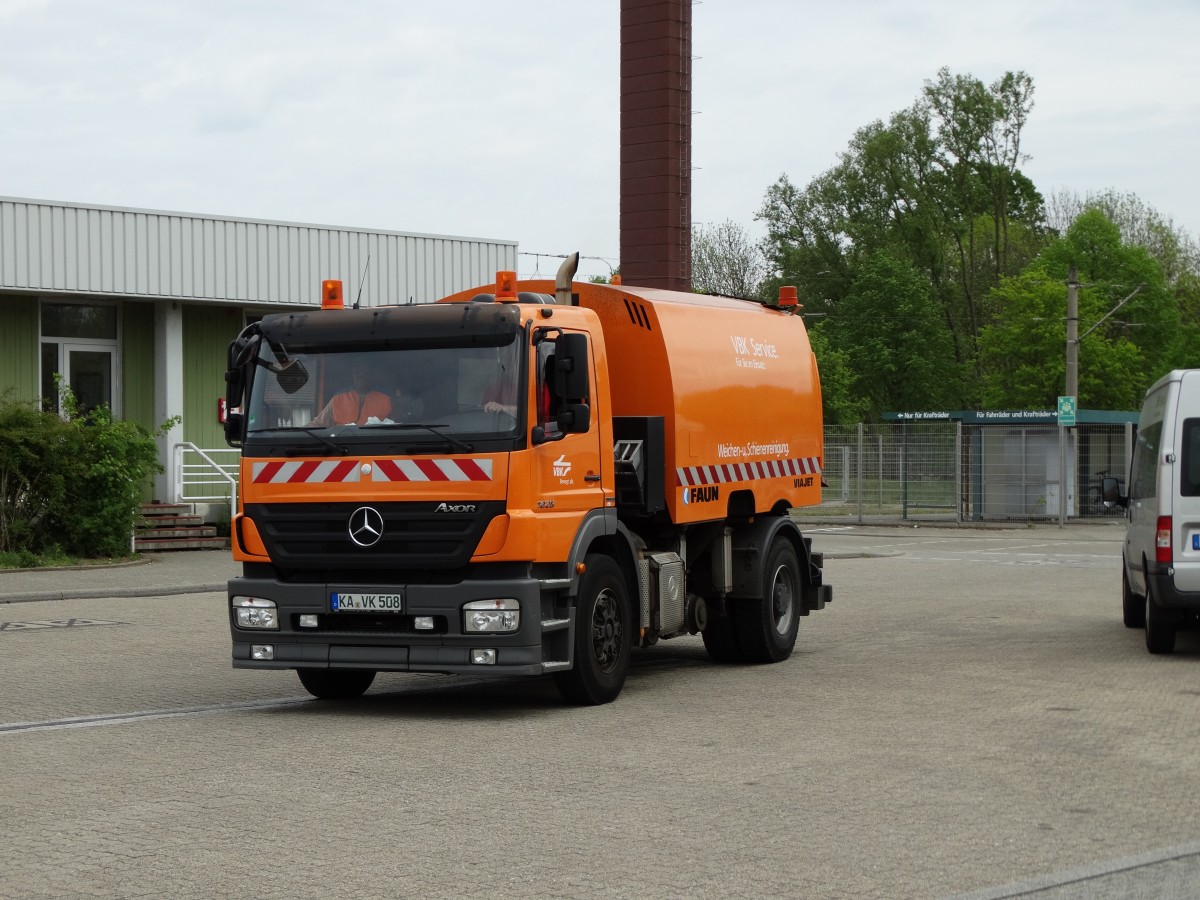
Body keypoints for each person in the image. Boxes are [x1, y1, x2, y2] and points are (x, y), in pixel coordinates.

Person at [309, 363, 392, 426]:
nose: (361, 375)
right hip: (340, 446)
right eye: (358, 372)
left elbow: (399, 428)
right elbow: (317, 424)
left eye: (365, 372)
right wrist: (298, 434)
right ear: (352, 376)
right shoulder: (338, 399)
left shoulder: (387, 399)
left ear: (373, 375)